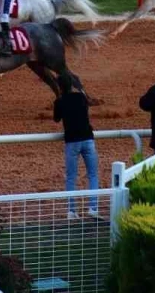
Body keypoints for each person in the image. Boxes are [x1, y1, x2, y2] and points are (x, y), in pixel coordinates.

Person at [52, 74, 98, 219]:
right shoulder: (81, 97)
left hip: (72, 141)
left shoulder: (59, 101)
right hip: (88, 139)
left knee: (71, 177)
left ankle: (72, 211)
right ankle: (93, 208)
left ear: (59, 87)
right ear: (72, 85)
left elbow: (56, 119)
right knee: (93, 175)